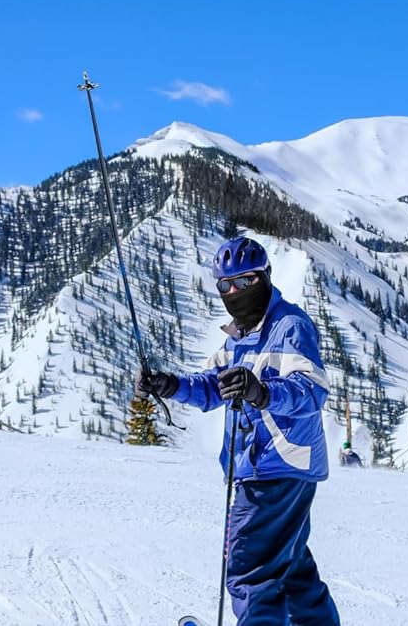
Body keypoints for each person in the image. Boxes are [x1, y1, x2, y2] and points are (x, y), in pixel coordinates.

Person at [135, 237, 341, 626]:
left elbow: (311, 391)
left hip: (276, 466)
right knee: (291, 568)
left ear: (265, 277)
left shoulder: (289, 326)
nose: (234, 292)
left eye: (245, 281)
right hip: (276, 467)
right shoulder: (239, 336)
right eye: (225, 285)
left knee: (250, 568)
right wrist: (170, 384)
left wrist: (262, 392)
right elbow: (214, 386)